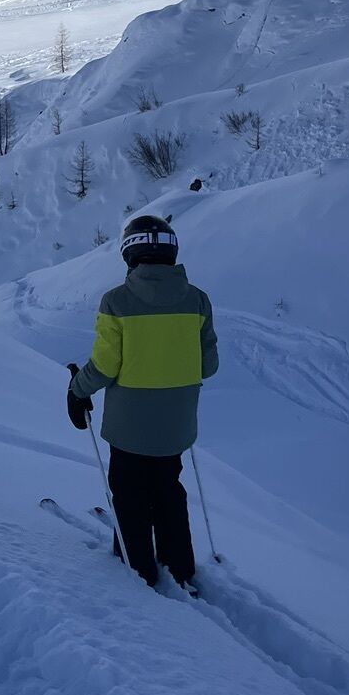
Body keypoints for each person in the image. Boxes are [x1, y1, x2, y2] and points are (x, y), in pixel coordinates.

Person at [66, 214, 217, 593]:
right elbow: (208, 365)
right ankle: (180, 567)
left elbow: (105, 366)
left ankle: (138, 570)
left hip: (129, 428)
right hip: (176, 425)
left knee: (130, 493)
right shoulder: (198, 300)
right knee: (168, 489)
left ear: (130, 255)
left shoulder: (117, 301)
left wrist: (77, 389)